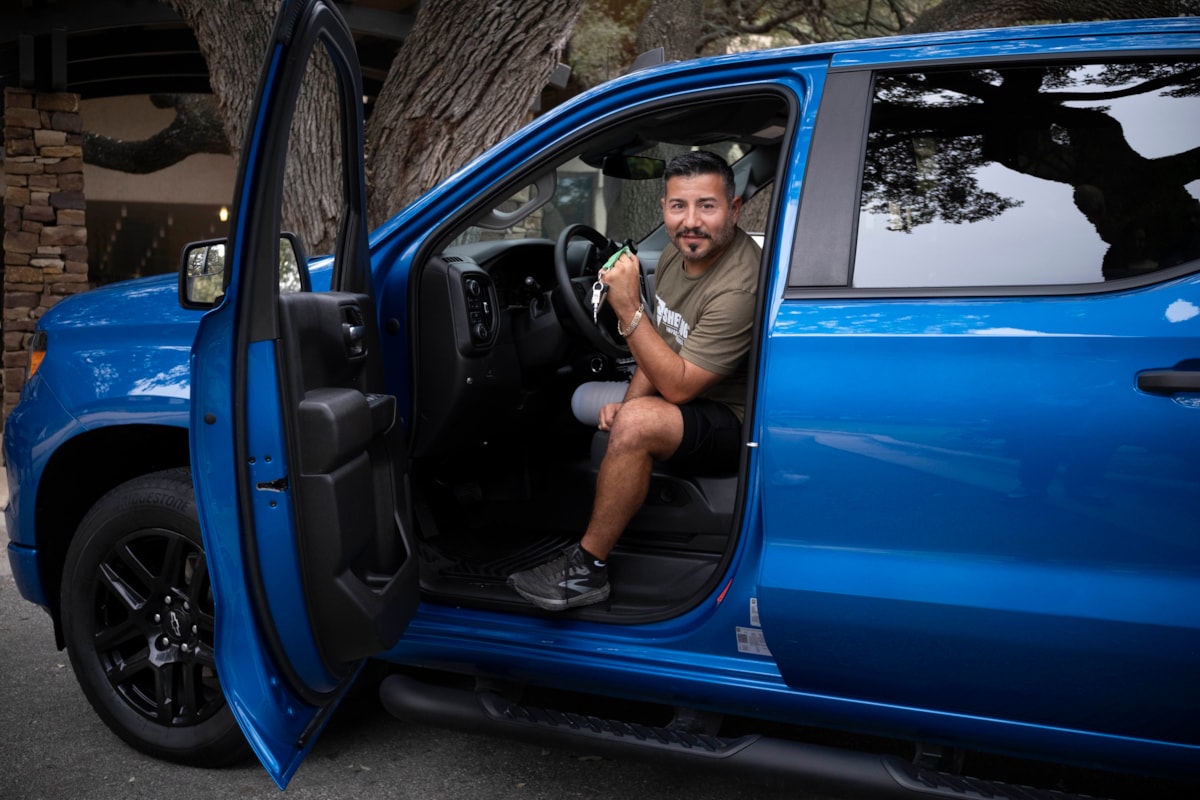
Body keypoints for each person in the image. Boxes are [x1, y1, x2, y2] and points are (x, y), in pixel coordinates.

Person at [508, 150, 761, 610]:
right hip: (690, 391)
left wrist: (627, 308)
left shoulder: (739, 287)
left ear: (735, 209)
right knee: (628, 417)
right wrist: (628, 404)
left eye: (707, 205)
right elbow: (658, 346)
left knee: (639, 423)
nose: (691, 222)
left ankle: (587, 570)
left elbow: (681, 386)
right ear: (663, 206)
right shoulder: (672, 256)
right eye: (678, 206)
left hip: (737, 418)